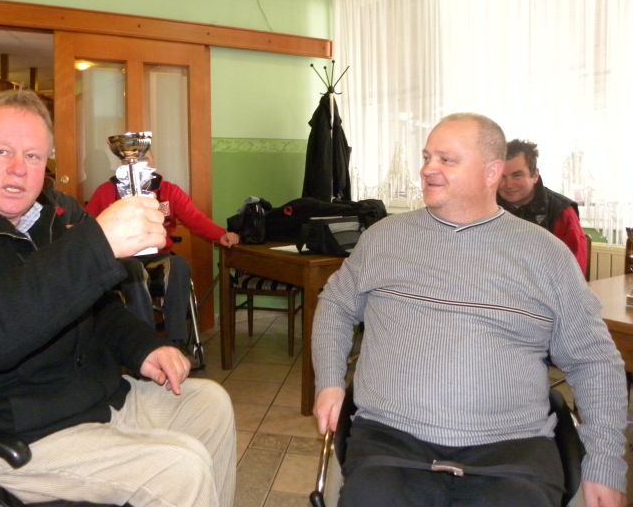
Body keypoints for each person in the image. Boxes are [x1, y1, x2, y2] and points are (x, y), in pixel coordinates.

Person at [0, 89, 236, 507]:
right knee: (178, 468)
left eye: (33, 156)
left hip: (88, 402)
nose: (18, 169)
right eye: (2, 152)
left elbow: (92, 309)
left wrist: (143, 346)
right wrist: (95, 245)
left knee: (210, 405)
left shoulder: (43, 222)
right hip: (4, 437)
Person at [312, 113, 627, 507]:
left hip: (512, 453)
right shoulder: (384, 239)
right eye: (427, 157)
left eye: (447, 160)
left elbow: (594, 361)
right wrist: (329, 381)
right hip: (390, 443)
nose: (428, 169)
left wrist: (604, 463)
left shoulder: (546, 255)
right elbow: (336, 304)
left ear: (492, 172)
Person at [86, 160, 239, 347]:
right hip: (123, 259)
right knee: (133, 270)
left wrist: (221, 235)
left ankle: (177, 341)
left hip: (157, 255)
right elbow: (88, 227)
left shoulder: (168, 191)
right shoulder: (106, 191)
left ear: (152, 165)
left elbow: (195, 218)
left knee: (179, 265)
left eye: (143, 161)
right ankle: (146, 343)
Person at [497, 139, 588, 276]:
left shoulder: (561, 212)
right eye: (502, 177)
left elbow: (574, 274)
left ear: (535, 175)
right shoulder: (486, 208)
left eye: (517, 175)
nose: (508, 184)